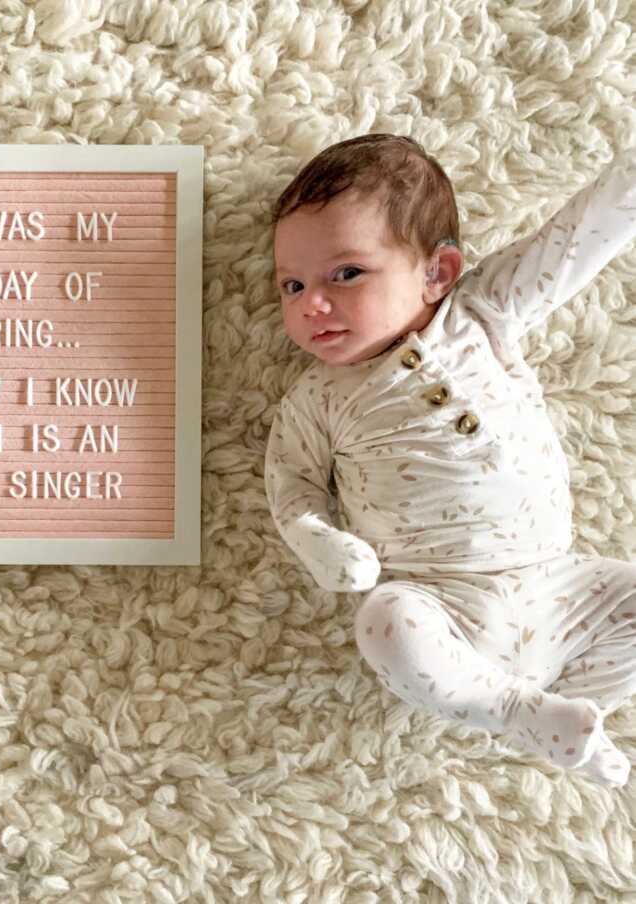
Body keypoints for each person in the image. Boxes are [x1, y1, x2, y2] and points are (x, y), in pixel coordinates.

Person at [265, 133, 636, 786]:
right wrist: (313, 538)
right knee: (384, 622)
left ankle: (571, 716)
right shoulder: (319, 397)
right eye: (291, 285)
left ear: (436, 273)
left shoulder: (481, 314)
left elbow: (572, 245)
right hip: (441, 607)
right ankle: (517, 711)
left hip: (559, 589)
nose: (310, 304)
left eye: (345, 273)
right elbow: (291, 482)